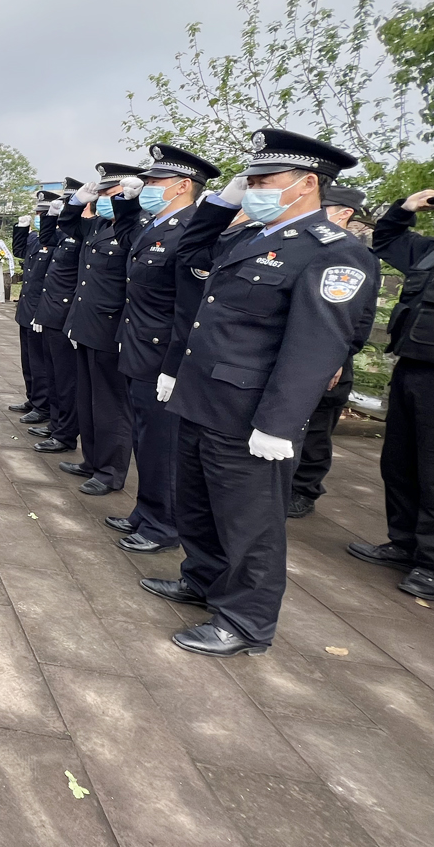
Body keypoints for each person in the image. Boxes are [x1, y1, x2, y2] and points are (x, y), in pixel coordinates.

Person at [146, 129, 377, 656]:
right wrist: (218, 203)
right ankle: (202, 580)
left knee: (249, 521)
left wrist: (278, 424)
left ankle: (246, 621)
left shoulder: (333, 253)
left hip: (250, 413)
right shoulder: (246, 237)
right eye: (248, 181)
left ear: (307, 184)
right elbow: (186, 254)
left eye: (263, 180)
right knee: (198, 503)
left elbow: (314, 348)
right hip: (202, 396)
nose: (253, 189)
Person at [106, 145, 220, 553]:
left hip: (162, 356)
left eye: (155, 182)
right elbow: (126, 237)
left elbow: (189, 309)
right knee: (145, 439)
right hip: (138, 348)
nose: (147, 187)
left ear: (183, 186)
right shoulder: (157, 224)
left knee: (163, 445)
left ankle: (163, 525)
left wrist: (173, 367)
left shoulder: (192, 231)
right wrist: (123, 198)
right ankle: (146, 510)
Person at [347, 186, 434, 598]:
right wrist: (405, 209)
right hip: (414, 367)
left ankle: (431, 565)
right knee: (399, 461)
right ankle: (404, 543)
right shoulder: (428, 251)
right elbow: (386, 242)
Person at [56, 163, 144, 496]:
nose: (104, 199)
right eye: (102, 194)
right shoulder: (98, 227)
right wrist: (78, 201)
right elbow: (66, 225)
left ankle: (110, 471)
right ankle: (91, 461)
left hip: (110, 329)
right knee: (89, 399)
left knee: (111, 406)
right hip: (85, 325)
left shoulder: (132, 229)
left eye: (110, 194)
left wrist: (129, 208)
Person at [288, 185, 369, 519]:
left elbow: (358, 319)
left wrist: (337, 358)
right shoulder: (310, 248)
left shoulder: (351, 254)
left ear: (344, 213)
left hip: (332, 359)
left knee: (316, 430)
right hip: (302, 352)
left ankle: (305, 490)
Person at [28, 179, 83, 455]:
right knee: (54, 376)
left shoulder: (84, 234)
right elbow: (48, 237)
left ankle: (65, 432)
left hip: (66, 317)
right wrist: (51, 215)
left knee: (66, 381)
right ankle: (56, 425)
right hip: (51, 314)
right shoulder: (63, 235)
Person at [9, 190, 56, 424]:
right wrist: (20, 229)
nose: (39, 216)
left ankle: (42, 405)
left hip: (41, 309)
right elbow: (19, 251)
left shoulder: (56, 238)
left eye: (43, 213)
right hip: (27, 308)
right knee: (27, 359)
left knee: (40, 363)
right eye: (37, 212)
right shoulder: (35, 238)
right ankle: (32, 397)